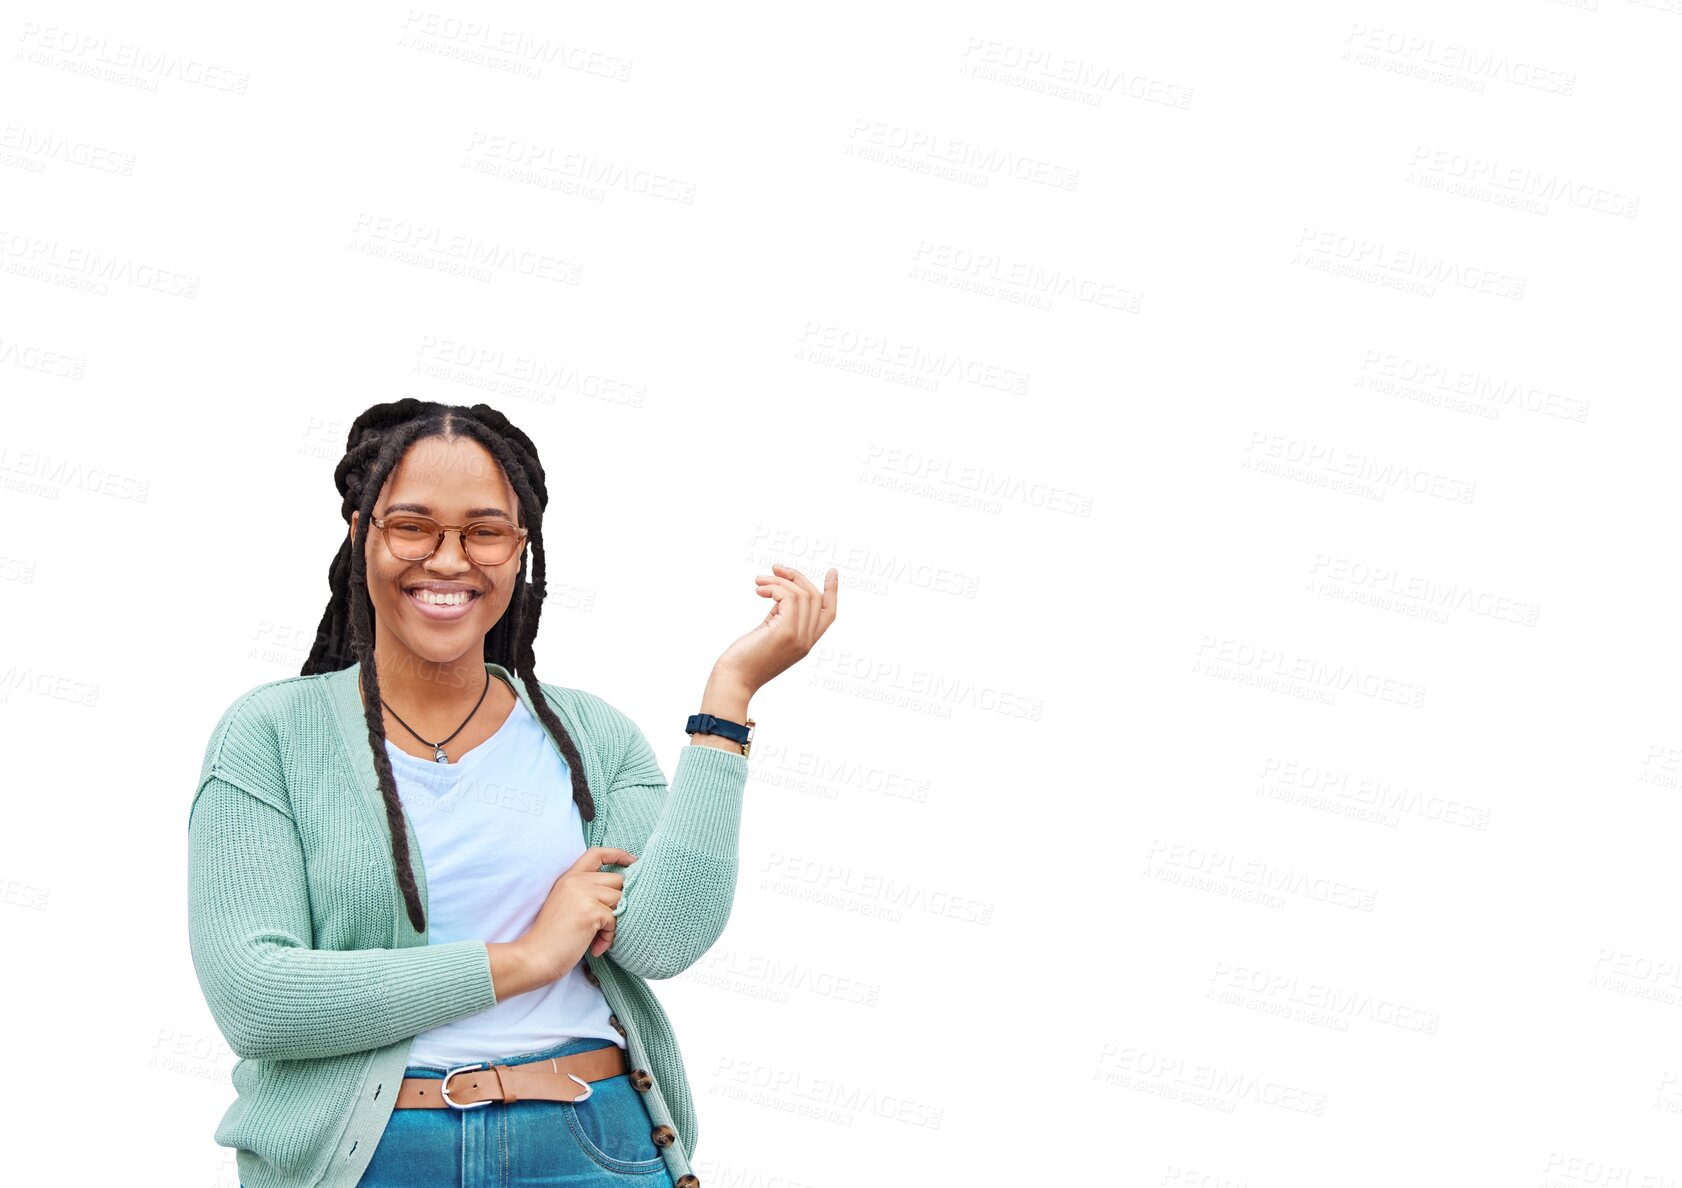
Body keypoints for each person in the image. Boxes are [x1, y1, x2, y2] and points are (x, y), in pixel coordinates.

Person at [186, 399, 838, 1188]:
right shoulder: (271, 737)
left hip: (594, 1143)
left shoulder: (591, 736)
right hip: (375, 1159)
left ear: (521, 547)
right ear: (360, 532)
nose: (450, 560)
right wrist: (526, 958)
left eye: (484, 531)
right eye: (413, 525)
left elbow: (661, 940)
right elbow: (256, 998)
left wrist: (727, 700)